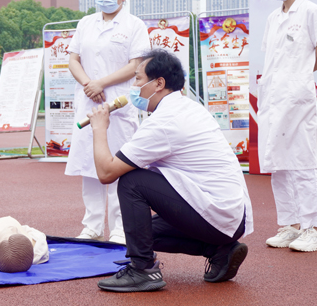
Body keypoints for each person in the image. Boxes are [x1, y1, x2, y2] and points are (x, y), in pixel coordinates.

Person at [87, 49, 253, 292]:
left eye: (138, 79)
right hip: (231, 217)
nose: (134, 86)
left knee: (132, 181)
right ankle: (219, 250)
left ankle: (143, 270)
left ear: (159, 83)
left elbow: (106, 173)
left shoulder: (164, 121)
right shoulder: (188, 107)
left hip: (217, 215)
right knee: (143, 233)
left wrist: (99, 128)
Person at [65, 0, 150, 244]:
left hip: (117, 103)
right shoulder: (86, 23)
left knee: (117, 164)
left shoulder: (134, 25)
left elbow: (136, 65)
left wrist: (101, 83)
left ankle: (119, 227)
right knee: (89, 164)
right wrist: (89, 83)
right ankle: (92, 225)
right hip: (89, 100)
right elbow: (73, 59)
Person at [258, 0, 317, 252]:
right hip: (273, 98)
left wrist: (297, 78)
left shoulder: (312, 11)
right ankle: (290, 225)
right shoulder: (273, 18)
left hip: (297, 99)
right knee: (278, 163)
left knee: (303, 161)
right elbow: (272, 58)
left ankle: (315, 230)